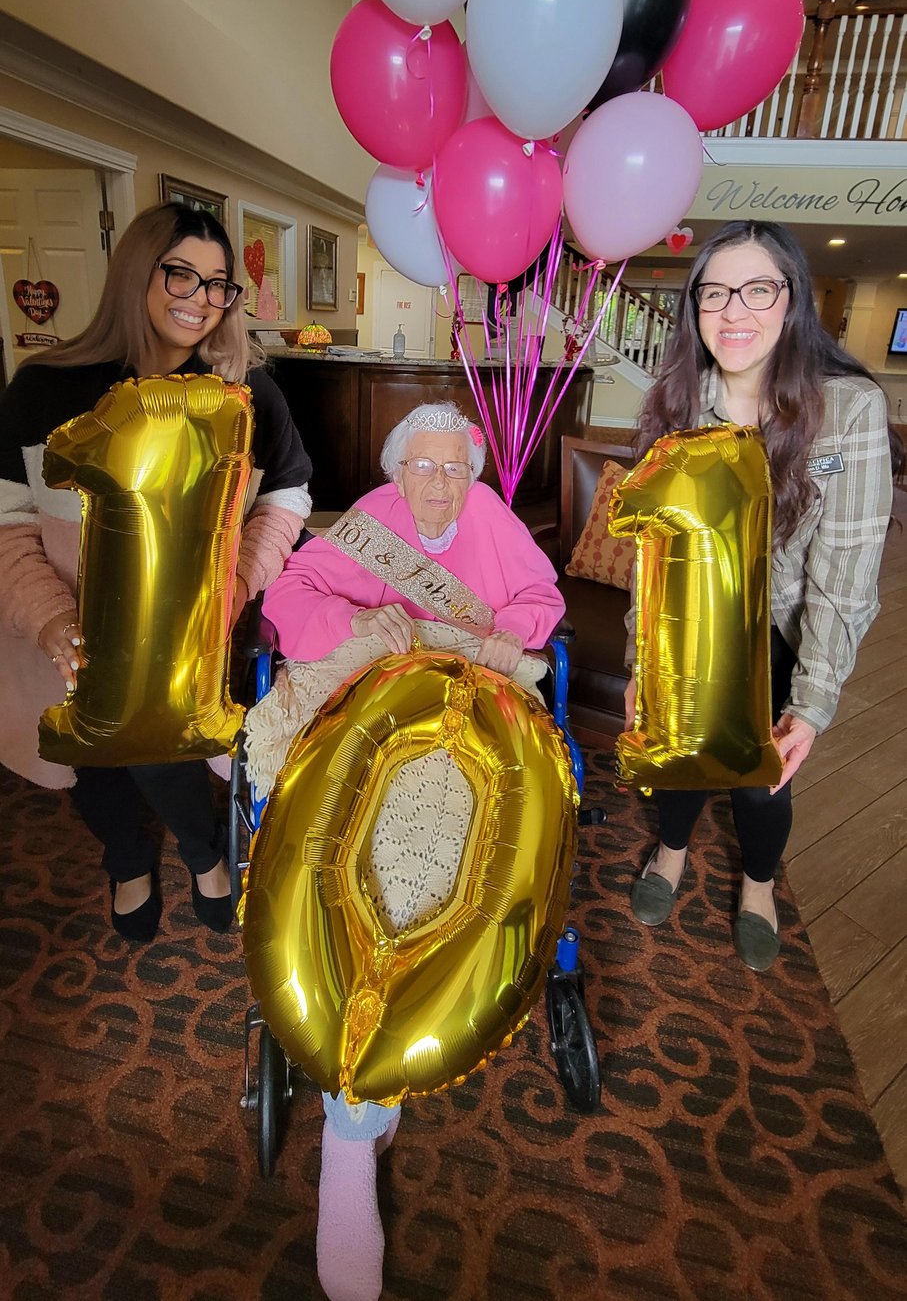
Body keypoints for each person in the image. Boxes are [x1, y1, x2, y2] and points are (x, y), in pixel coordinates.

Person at [257, 400, 565, 1301]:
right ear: (396, 472)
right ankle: (353, 1123)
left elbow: (540, 602)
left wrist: (498, 637)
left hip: (462, 715)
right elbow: (291, 595)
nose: (439, 483)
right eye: (422, 467)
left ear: (474, 474)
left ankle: (351, 1121)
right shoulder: (372, 520)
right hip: (369, 703)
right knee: (341, 836)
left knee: (435, 851)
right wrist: (362, 631)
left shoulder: (492, 520)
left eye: (455, 467)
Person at [0, 202, 312, 943]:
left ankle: (203, 852)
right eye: (182, 273)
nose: (201, 299)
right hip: (63, 620)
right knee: (91, 755)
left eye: (218, 284)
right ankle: (126, 857)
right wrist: (47, 616)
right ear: (139, 270)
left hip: (185, 635)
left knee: (165, 743)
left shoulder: (245, 393)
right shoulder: (45, 388)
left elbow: (290, 492)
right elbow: (6, 521)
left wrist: (237, 585)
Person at [625, 218, 900, 972]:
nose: (733, 311)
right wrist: (640, 665)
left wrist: (809, 703)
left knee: (759, 789)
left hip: (783, 631)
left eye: (756, 289)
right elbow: (655, 556)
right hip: (688, 627)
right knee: (679, 761)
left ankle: (756, 887)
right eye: (714, 293)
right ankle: (669, 855)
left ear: (791, 301)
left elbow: (843, 573)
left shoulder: (845, 413)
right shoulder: (676, 408)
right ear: (694, 309)